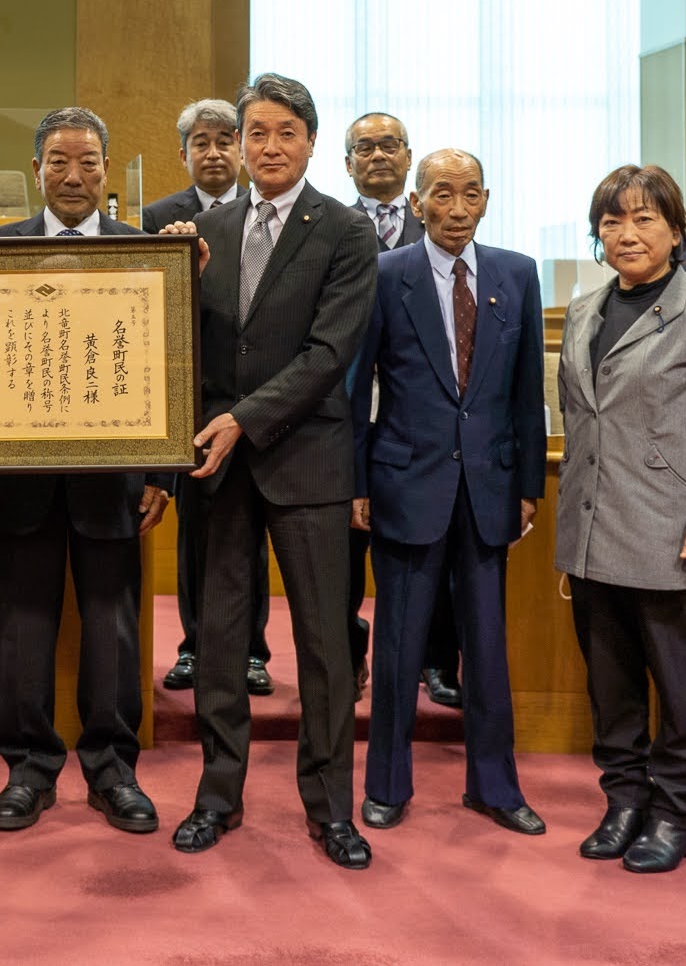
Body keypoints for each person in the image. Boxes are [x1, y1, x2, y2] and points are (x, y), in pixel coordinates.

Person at [167, 74, 378, 870]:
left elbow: (330, 355)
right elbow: (184, 340)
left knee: (323, 645)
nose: (268, 147)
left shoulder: (345, 231)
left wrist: (245, 418)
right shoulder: (207, 228)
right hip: (216, 466)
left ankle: (331, 807)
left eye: (285, 131)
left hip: (306, 460)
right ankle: (217, 795)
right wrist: (179, 280)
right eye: (255, 132)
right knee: (219, 642)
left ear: (311, 140)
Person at [0, 107, 172, 835]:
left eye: (88, 161)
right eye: (58, 161)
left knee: (114, 631)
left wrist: (162, 473)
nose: (74, 175)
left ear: (108, 170)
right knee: (23, 630)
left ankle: (114, 768)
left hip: (115, 483)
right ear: (36, 171)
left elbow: (166, 367)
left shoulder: (145, 253)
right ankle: (27, 768)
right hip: (17, 484)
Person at [556, 165, 686, 874]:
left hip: (679, 535)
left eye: (645, 219)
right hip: (592, 533)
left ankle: (676, 810)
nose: (627, 232)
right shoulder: (584, 310)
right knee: (611, 687)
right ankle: (625, 799)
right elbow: (580, 422)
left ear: (676, 231)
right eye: (613, 220)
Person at [348, 149, 547, 839]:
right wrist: (355, 482)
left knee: (487, 649)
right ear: (417, 202)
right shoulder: (384, 275)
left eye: (469, 195)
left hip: (489, 488)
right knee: (400, 648)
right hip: (405, 482)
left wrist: (527, 487)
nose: (456, 208)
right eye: (441, 195)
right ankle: (386, 785)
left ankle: (494, 786)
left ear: (486, 200)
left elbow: (526, 394)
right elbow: (355, 392)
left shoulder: (517, 273)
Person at [141, 99, 270, 697]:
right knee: (199, 533)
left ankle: (252, 651)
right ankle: (194, 645)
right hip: (191, 400)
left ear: (241, 148)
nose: (214, 152)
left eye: (225, 140)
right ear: (183, 153)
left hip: (259, 397)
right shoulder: (157, 217)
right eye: (201, 142)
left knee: (257, 530)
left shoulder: (262, 213)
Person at [342, 111, 457, 709]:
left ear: (409, 159)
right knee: (343, 557)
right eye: (365, 147)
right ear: (348, 163)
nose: (378, 155)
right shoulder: (330, 227)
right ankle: (349, 651)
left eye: (390, 145)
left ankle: (436, 662)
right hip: (346, 418)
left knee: (427, 548)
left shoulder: (441, 222)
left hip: (421, 421)